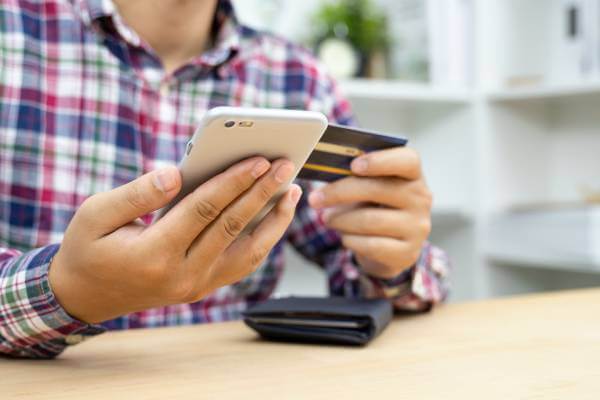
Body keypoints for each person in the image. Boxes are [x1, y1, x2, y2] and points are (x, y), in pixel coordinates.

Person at [0, 0, 449, 359]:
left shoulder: (298, 78)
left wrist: (390, 260)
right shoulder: (12, 31)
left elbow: (353, 255)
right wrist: (63, 290)